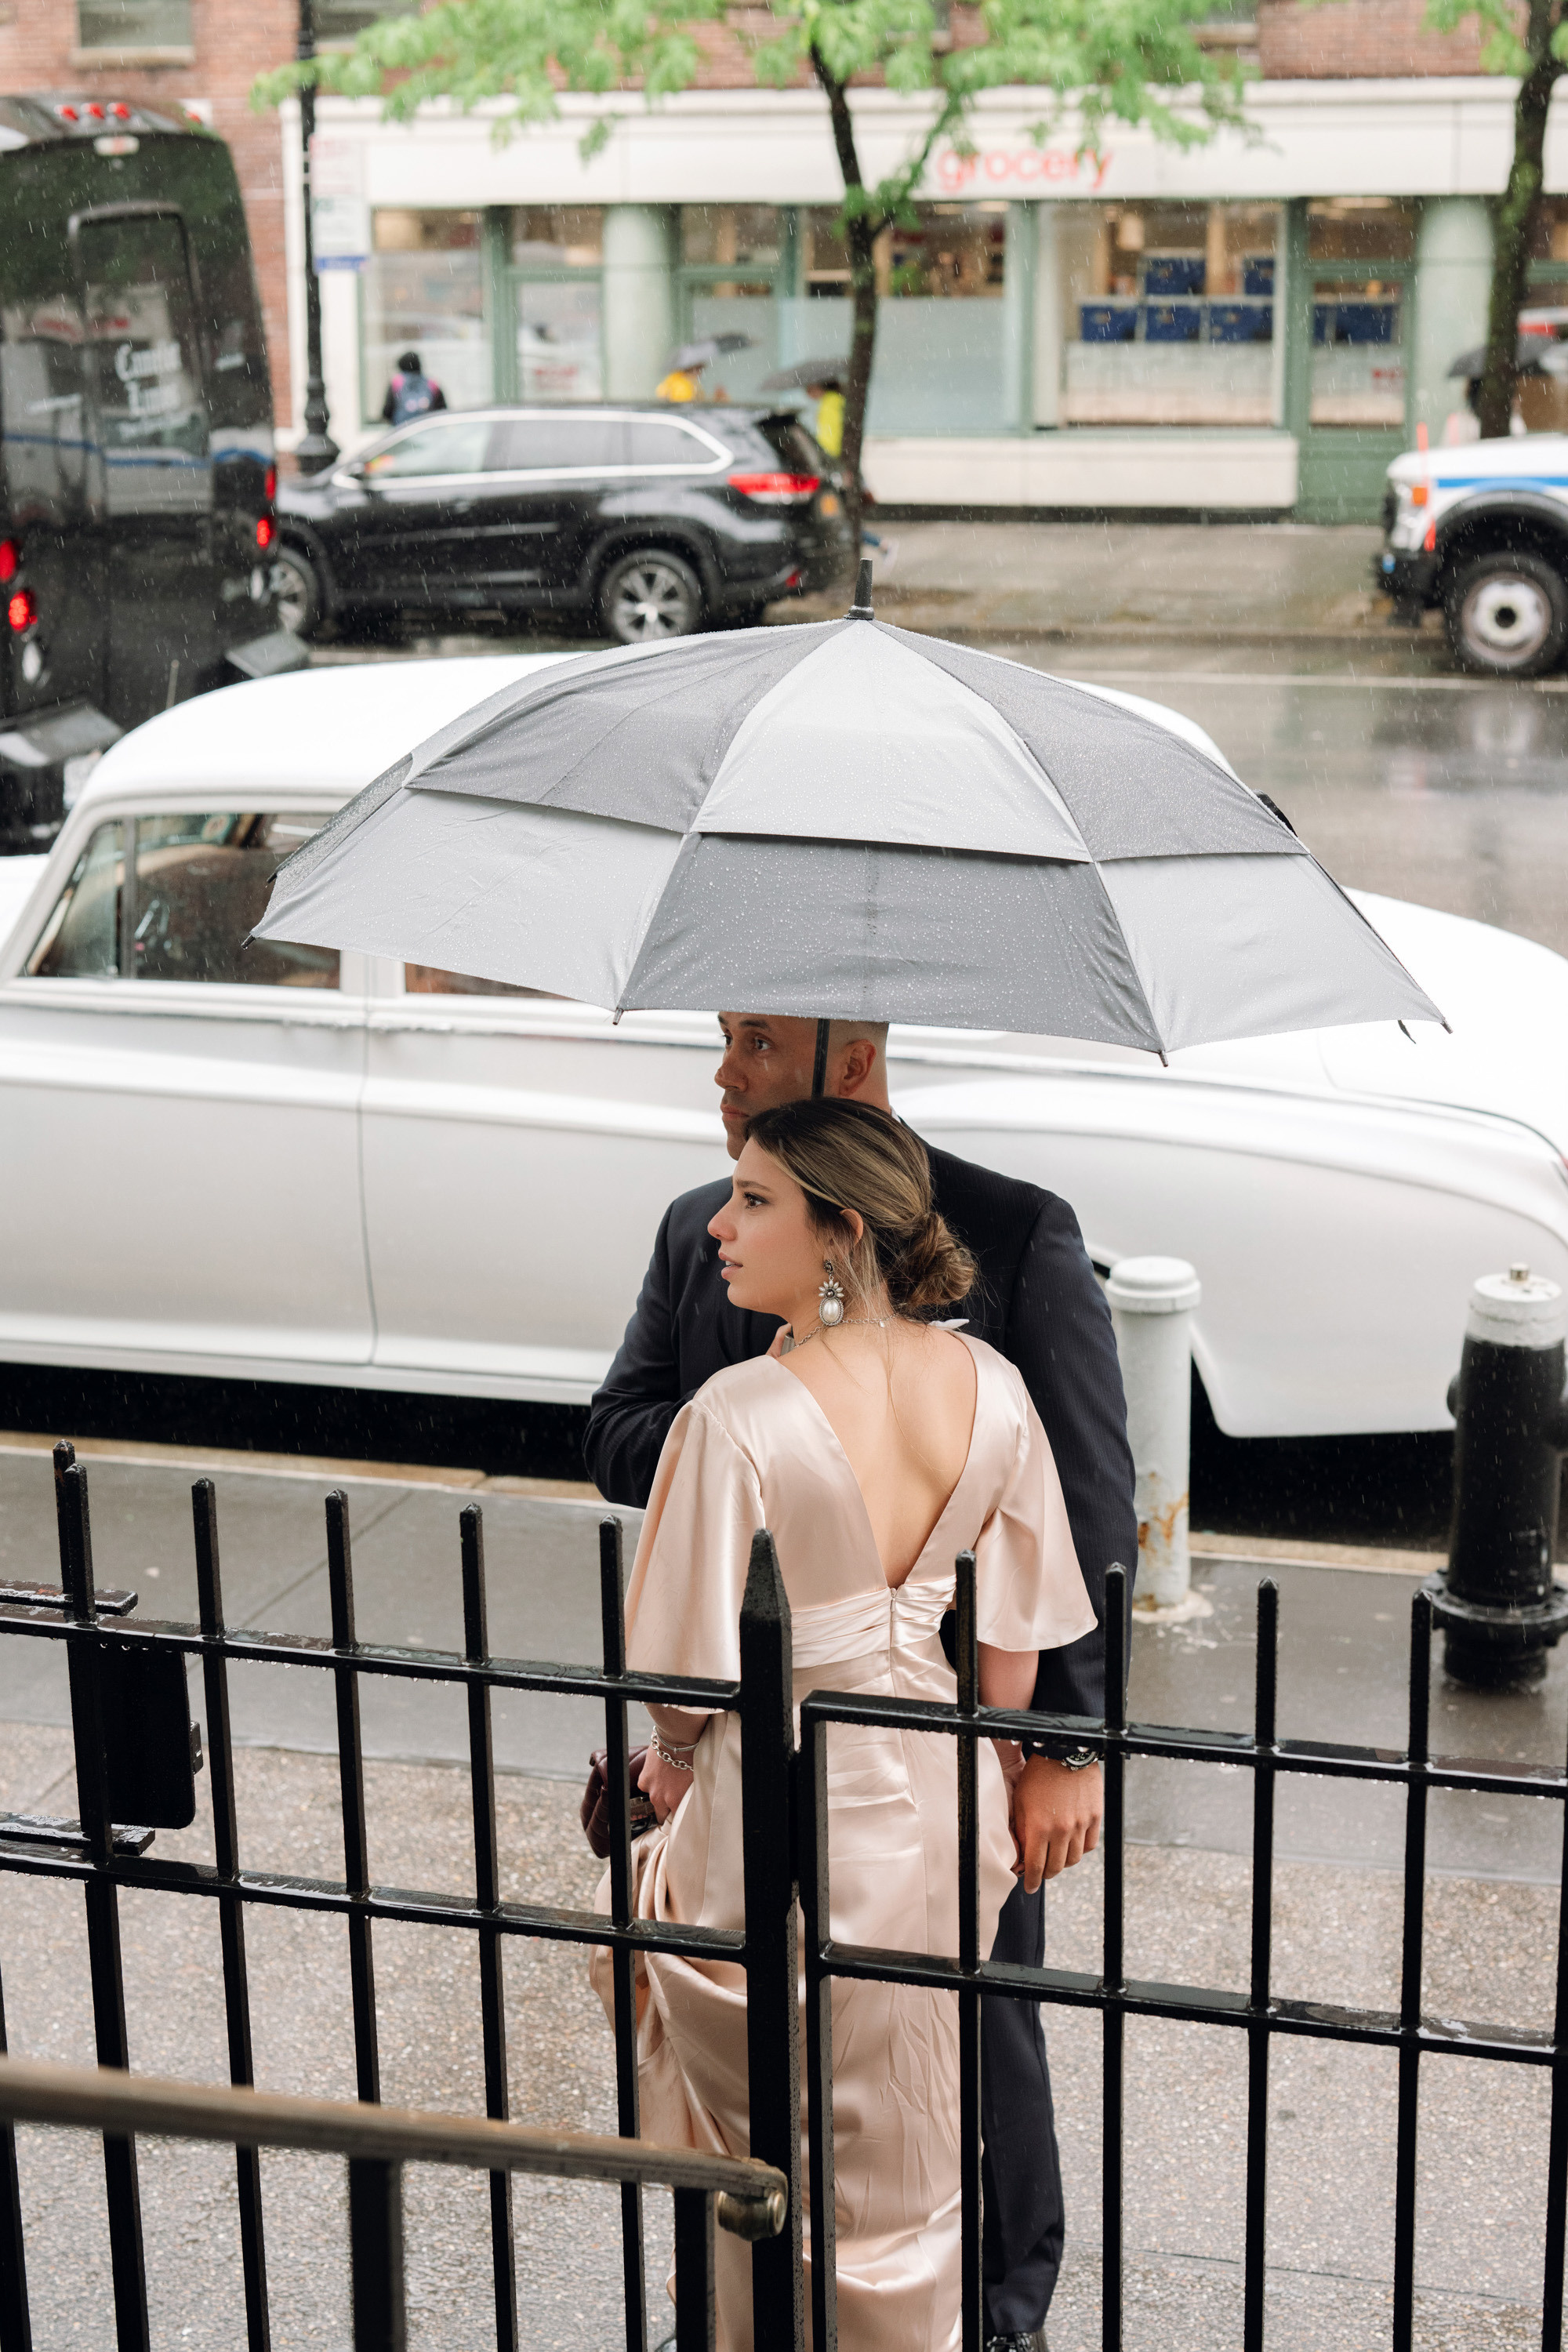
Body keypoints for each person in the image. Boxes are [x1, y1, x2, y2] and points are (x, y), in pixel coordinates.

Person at [585, 1014, 1138, 2352]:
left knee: (781, 2084)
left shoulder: (1013, 1241)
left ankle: (817, 2316)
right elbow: (1016, 1620)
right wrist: (998, 1748)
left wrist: (1073, 1745)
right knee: (907, 2109)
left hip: (779, 1774)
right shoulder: (980, 1385)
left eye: (755, 1044)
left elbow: (679, 1681)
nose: (724, 1223)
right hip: (937, 1770)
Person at [380, 350, 445, 427]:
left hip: (403, 432)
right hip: (427, 432)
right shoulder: (432, 384)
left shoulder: (396, 383)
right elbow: (442, 411)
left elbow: (387, 412)